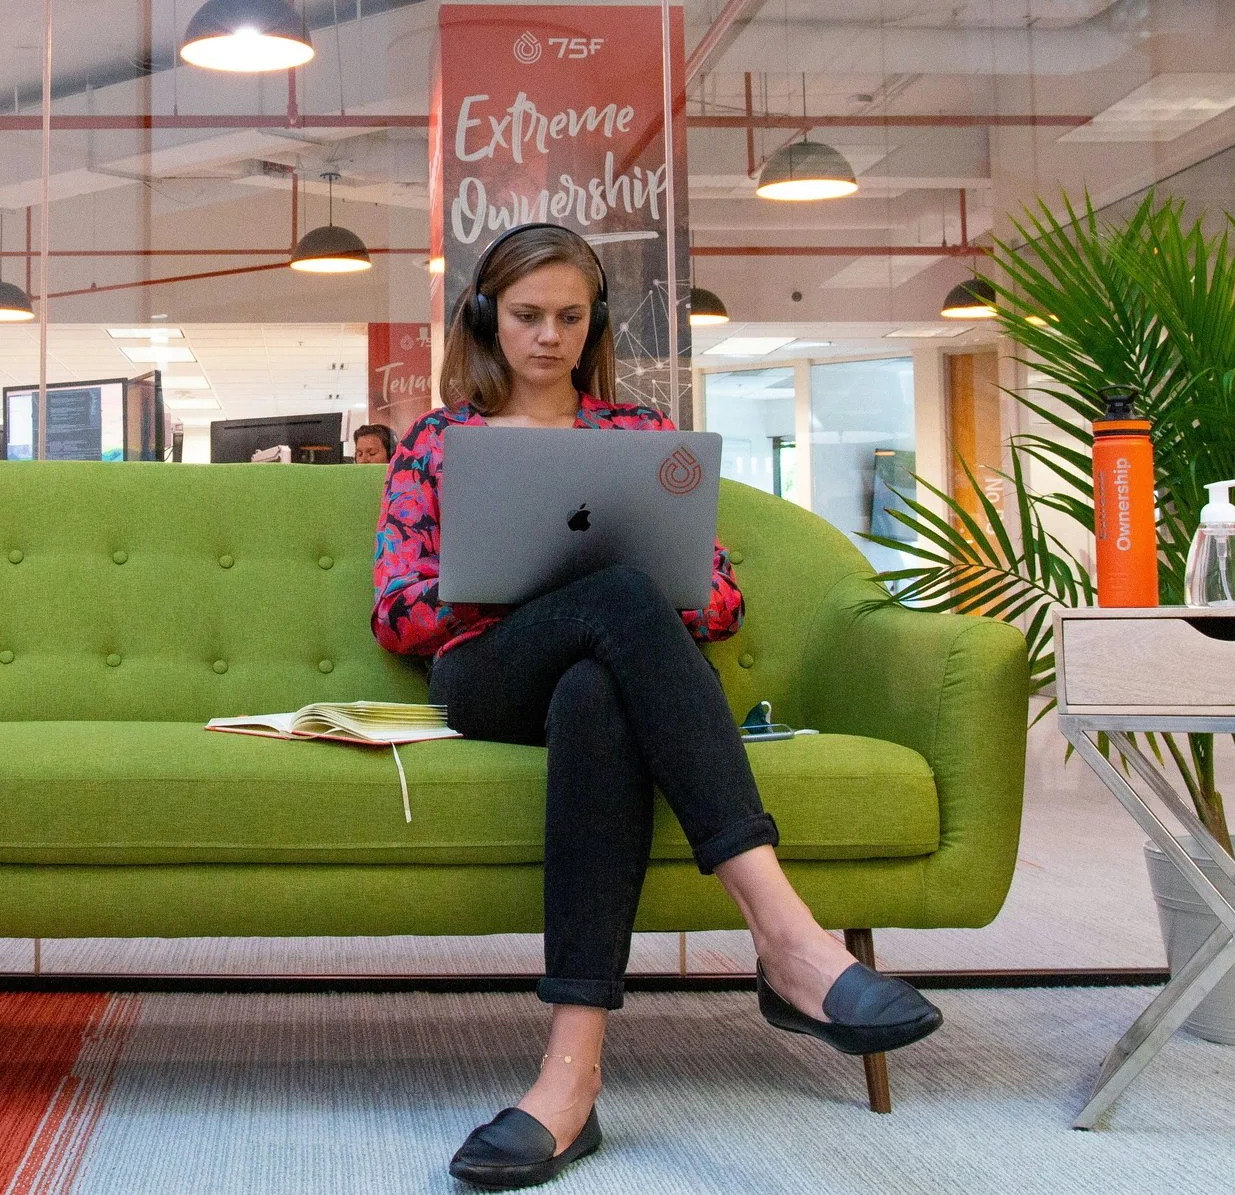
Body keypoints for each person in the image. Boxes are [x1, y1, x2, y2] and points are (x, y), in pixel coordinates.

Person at [373, 223, 940, 1188]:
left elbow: (719, 595)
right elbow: (397, 608)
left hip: (592, 679)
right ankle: (789, 940)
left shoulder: (638, 439)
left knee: (603, 685)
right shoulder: (439, 440)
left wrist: (646, 586)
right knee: (620, 598)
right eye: (525, 315)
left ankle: (571, 1078)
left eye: (568, 316)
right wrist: (510, 586)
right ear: (483, 315)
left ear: (592, 326)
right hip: (486, 673)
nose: (547, 335)